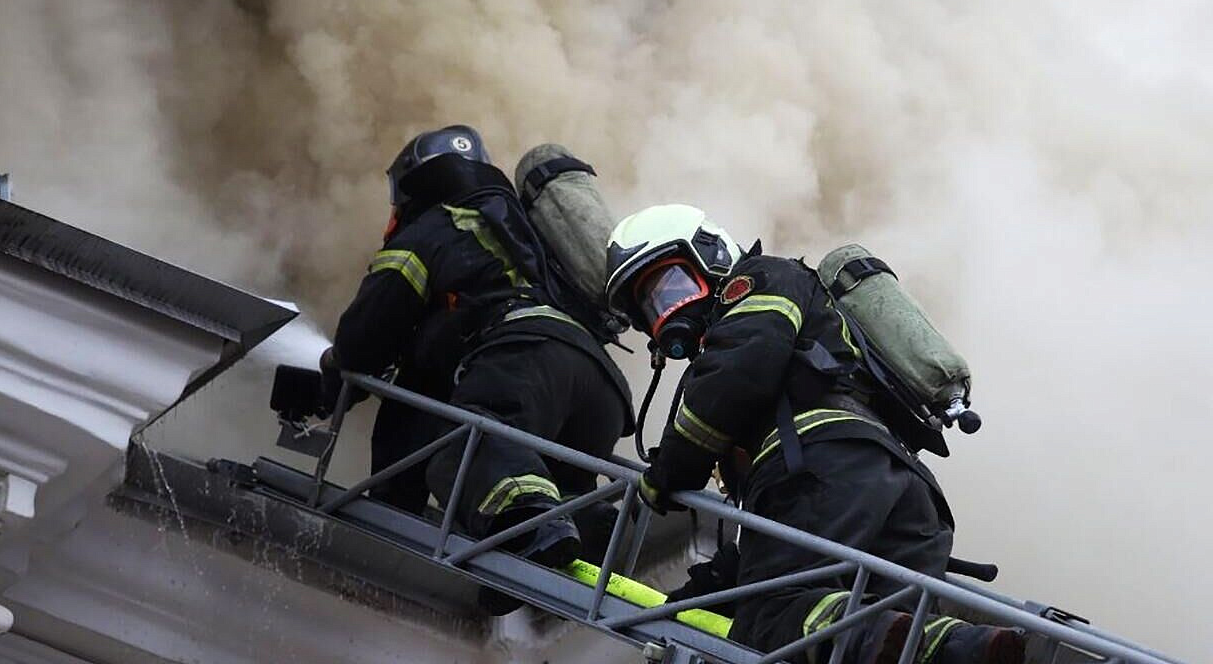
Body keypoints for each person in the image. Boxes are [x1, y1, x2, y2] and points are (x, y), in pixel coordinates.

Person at [604, 204, 1025, 664]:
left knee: (773, 614)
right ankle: (973, 649)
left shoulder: (761, 280)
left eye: (673, 288)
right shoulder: (817, 327)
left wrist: (664, 475)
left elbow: (737, 376)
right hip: (903, 489)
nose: (668, 312)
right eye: (652, 307)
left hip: (821, 471)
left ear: (712, 254)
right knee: (895, 636)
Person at [321, 125, 634, 577]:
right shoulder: (526, 235)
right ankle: (575, 531)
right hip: (598, 386)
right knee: (552, 480)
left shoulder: (432, 228)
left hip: (525, 360)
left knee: (463, 451)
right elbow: (418, 402)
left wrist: (336, 368)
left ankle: (528, 527)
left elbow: (367, 330)